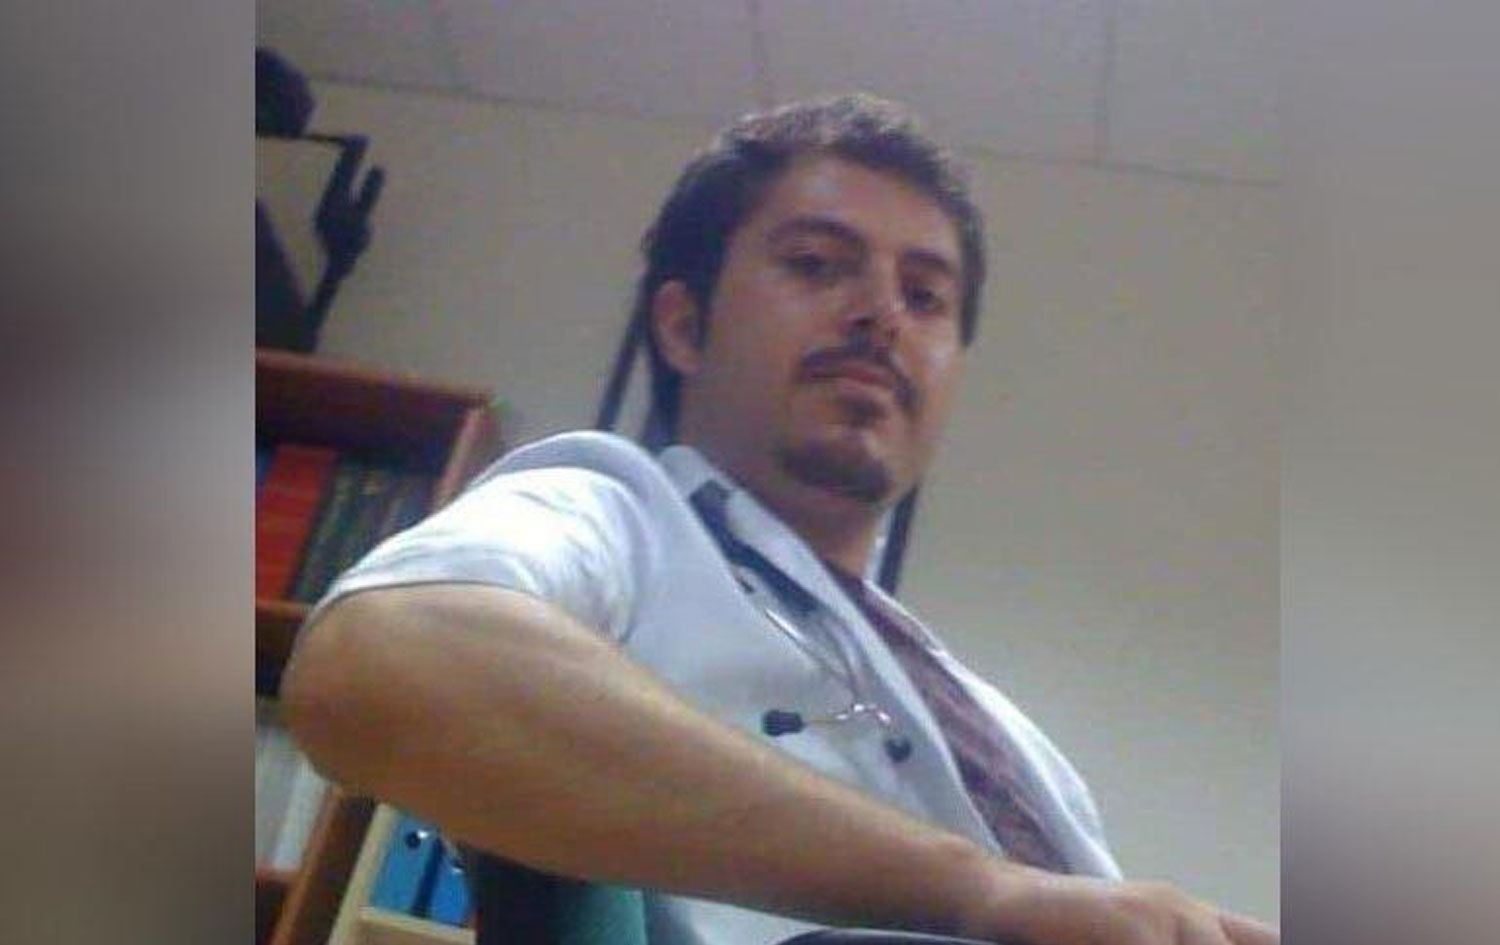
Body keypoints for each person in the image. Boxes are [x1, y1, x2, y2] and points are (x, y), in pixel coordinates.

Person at [281, 95, 1277, 945]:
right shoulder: (614, 512)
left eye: (926, 296)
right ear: (685, 326)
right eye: (816, 264)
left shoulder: (1016, 745)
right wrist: (985, 891)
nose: (883, 314)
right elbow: (381, 662)